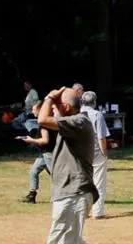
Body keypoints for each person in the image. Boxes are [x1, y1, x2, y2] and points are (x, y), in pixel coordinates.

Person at [37, 86, 98, 243]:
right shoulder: (72, 123)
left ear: (66, 107)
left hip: (73, 194)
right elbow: (50, 118)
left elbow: (42, 119)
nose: (52, 107)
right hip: (71, 193)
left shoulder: (79, 122)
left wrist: (49, 97)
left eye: (56, 104)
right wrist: (55, 105)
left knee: (59, 241)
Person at [19, 100, 56, 204]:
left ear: (40, 110)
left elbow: (45, 140)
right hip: (44, 153)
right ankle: (32, 196)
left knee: (55, 176)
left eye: (34, 109)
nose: (32, 112)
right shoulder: (47, 121)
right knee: (33, 171)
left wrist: (32, 140)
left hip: (49, 153)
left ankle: (57, 198)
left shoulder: (44, 124)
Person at [80, 91, 109, 219]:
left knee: (84, 182)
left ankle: (83, 211)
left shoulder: (77, 113)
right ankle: (97, 212)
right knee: (99, 183)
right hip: (96, 153)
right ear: (94, 102)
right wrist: (104, 152)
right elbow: (101, 137)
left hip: (81, 153)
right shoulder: (97, 115)